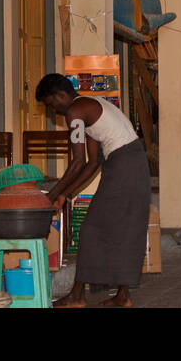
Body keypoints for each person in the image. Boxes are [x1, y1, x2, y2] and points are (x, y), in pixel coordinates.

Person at [35, 72, 150, 307]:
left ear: (60, 95)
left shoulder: (74, 112)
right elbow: (93, 162)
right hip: (131, 163)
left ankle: (78, 297)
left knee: (91, 229)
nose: (53, 110)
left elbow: (77, 162)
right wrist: (65, 195)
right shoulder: (89, 105)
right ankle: (122, 296)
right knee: (121, 229)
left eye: (51, 104)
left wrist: (51, 195)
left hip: (124, 166)